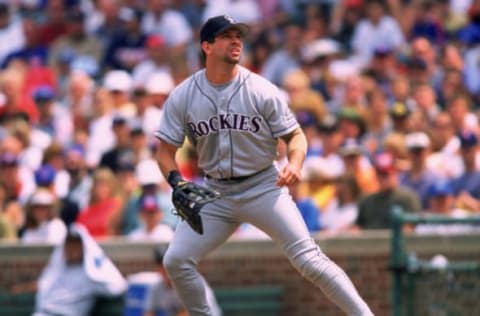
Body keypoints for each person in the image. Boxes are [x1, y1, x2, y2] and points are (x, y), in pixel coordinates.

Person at [154, 15, 372, 316]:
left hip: (263, 187)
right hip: (216, 193)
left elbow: (296, 136)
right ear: (207, 46)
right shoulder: (183, 95)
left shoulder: (261, 89)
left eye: (238, 36)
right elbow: (164, 152)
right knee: (175, 261)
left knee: (308, 259)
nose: (236, 42)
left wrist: (295, 162)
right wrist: (177, 181)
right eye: (226, 36)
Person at [11, 224, 127, 316]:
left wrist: (98, 265)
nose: (72, 248)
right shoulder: (58, 269)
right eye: (69, 244)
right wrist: (20, 289)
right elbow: (43, 284)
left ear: (84, 247)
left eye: (76, 244)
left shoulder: (91, 274)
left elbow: (117, 287)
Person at [125, 247, 221, 316]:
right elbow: (148, 313)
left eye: (167, 265)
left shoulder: (190, 279)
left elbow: (189, 313)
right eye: (161, 266)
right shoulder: (157, 286)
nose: (165, 270)